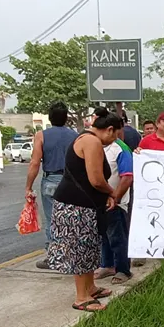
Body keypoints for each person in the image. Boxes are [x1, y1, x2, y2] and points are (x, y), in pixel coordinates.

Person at [48, 113, 122, 312]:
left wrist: (104, 195)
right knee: (80, 250)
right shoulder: (91, 141)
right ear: (109, 129)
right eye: (115, 135)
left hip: (83, 205)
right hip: (76, 207)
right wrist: (112, 192)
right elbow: (96, 179)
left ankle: (90, 287)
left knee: (89, 248)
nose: (113, 140)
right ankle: (82, 297)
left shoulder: (85, 138)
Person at [25, 101, 78, 269]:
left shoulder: (41, 135)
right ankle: (72, 255)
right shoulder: (75, 135)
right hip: (71, 181)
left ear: (50, 117)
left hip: (51, 180)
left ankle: (54, 257)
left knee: (52, 220)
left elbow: (35, 163)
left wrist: (28, 186)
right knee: (71, 219)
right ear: (66, 118)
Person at [95, 126, 134, 284]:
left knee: (118, 237)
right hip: (99, 202)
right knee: (104, 235)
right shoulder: (98, 146)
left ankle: (123, 270)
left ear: (110, 130)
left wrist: (115, 199)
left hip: (116, 203)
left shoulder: (121, 148)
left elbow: (127, 177)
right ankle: (108, 264)